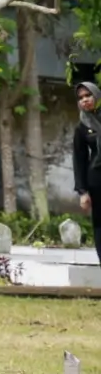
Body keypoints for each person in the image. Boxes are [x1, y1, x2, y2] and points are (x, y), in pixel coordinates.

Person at [73, 81, 101, 265]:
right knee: (100, 224)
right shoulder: (82, 126)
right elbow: (79, 160)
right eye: (81, 97)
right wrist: (82, 191)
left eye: (88, 95)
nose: (85, 100)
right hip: (97, 180)